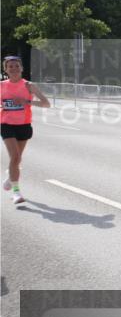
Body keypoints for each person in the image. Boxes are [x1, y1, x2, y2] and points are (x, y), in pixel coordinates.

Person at [2, 55, 51, 205]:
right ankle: (17, 193)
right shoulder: (1, 86)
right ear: (6, 70)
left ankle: (10, 176)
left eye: (17, 66)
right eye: (10, 66)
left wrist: (26, 101)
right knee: (15, 158)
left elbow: (46, 104)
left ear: (21, 68)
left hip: (24, 125)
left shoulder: (29, 85)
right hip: (6, 124)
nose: (14, 69)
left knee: (16, 160)